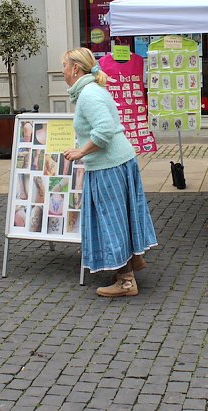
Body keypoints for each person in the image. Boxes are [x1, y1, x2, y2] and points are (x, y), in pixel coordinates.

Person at [62, 47, 157, 298]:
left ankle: (126, 281)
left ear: (75, 68)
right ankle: (133, 261)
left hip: (108, 165)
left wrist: (80, 152)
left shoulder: (89, 95)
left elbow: (103, 131)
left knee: (111, 220)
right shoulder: (92, 90)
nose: (62, 71)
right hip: (117, 161)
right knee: (121, 215)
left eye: (63, 66)